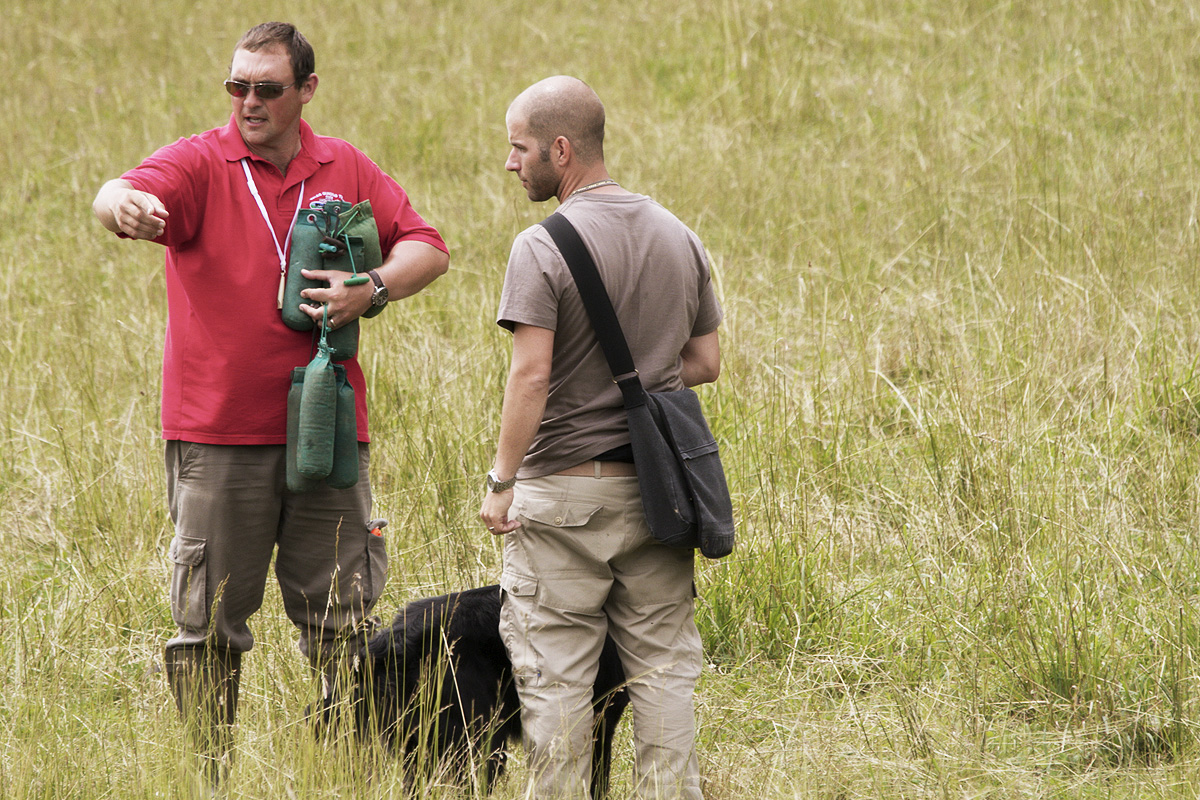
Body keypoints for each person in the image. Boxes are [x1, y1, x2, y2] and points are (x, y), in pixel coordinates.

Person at [92, 21, 449, 787]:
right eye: (236, 86)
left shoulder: (342, 164)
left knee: (347, 623)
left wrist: (373, 287)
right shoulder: (200, 161)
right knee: (209, 626)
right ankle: (209, 779)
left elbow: (428, 246)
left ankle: (350, 771)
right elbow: (118, 191)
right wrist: (122, 206)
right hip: (220, 436)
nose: (248, 102)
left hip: (326, 431)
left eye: (267, 88)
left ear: (306, 91)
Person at [479, 76, 721, 799]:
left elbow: (530, 377)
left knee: (555, 680)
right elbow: (705, 362)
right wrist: (636, 381)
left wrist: (500, 482)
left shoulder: (540, 246)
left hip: (562, 499)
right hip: (659, 495)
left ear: (561, 148)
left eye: (519, 149)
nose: (511, 163)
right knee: (664, 672)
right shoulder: (679, 234)